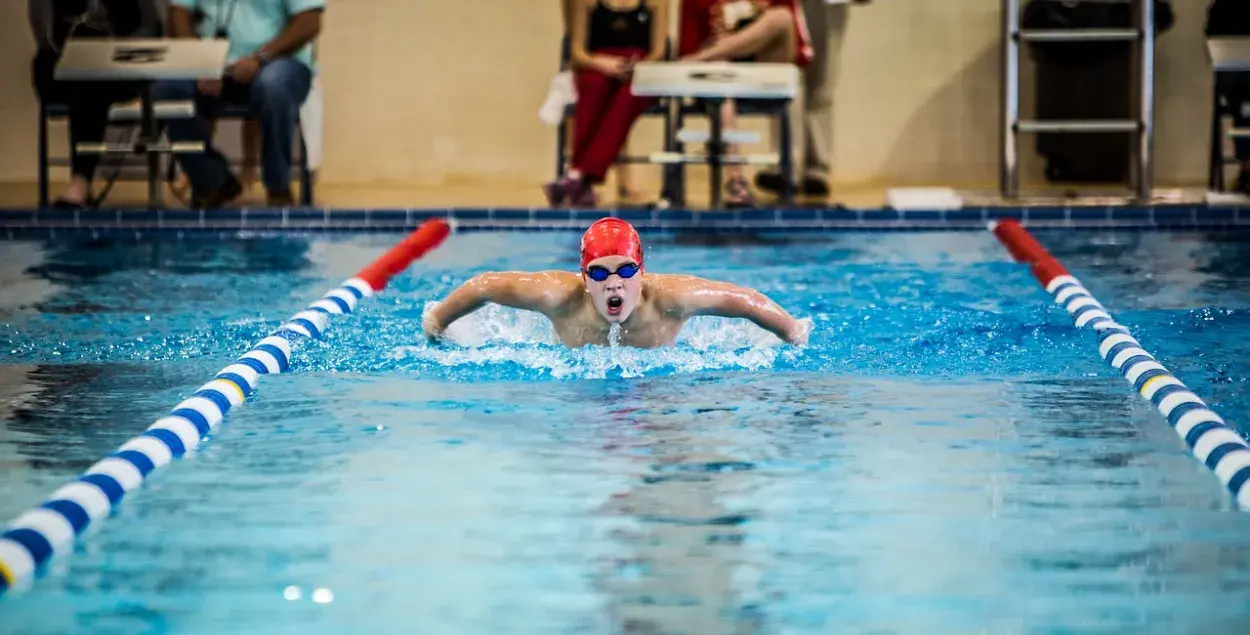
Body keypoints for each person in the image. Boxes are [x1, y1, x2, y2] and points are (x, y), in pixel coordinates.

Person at [423, 217, 810, 348]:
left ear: (642, 273)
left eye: (625, 271)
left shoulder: (671, 299)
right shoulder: (557, 296)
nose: (614, 284)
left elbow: (744, 299)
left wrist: (793, 331)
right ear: (583, 277)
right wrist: (437, 322)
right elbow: (485, 285)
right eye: (599, 273)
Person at [152, 0, 324, 209]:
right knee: (167, 89)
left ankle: (278, 188)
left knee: (274, 86)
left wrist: (260, 58)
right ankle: (214, 180)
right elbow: (179, 12)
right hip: (212, 66)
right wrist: (201, 62)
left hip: (277, 61)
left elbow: (310, 22)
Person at [677, 0, 813, 207]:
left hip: (763, 72)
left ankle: (711, 54)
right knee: (720, 76)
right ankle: (736, 180)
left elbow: (797, 45)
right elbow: (685, 49)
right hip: (718, 78)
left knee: (780, 17)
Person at [29, 0, 162, 209]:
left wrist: (114, 51)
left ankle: (81, 180)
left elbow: (149, 28)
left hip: (117, 67)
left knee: (91, 78)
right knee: (83, 74)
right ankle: (81, 181)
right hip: (60, 65)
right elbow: (45, 36)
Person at [546, 0, 669, 208]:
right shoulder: (586, 3)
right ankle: (582, 179)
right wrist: (603, 63)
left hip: (640, 69)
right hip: (599, 64)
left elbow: (659, 52)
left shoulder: (656, 3)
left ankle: (578, 174)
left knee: (630, 93)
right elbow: (577, 51)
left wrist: (636, 65)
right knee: (593, 85)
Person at [755, 0, 871, 201]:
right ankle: (785, 164)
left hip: (828, 4)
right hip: (787, 4)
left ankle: (817, 169)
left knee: (821, 85)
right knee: (786, 79)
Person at [1208, 0, 1250, 194]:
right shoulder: (1223, 8)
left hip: (1235, 79)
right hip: (1237, 79)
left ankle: (1247, 166)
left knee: (1244, 105)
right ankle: (1248, 165)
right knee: (1245, 104)